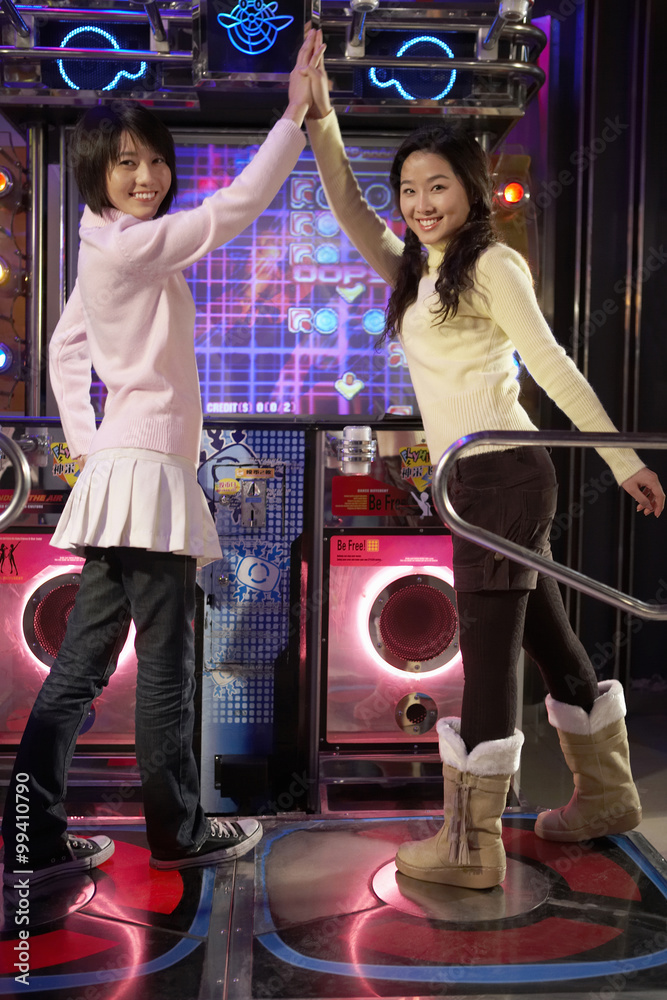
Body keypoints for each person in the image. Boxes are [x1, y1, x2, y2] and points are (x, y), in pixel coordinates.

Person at [303, 32, 665, 890]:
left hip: (502, 476)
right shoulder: (416, 272)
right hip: (470, 482)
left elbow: (551, 363)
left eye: (438, 186)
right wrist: (318, 119)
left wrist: (617, 462)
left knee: (491, 648)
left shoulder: (493, 263)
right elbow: (350, 207)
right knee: (543, 632)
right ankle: (606, 798)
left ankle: (469, 846)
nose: (421, 202)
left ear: (470, 188)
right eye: (411, 190)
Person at [1, 31, 323, 888]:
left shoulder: (100, 242)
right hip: (144, 478)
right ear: (97, 173)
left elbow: (67, 349)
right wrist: (292, 116)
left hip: (125, 476)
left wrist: (88, 444)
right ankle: (178, 830)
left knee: (79, 671)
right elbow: (232, 210)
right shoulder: (131, 244)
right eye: (126, 165)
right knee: (168, 673)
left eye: (154, 161)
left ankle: (29, 839)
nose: (146, 178)